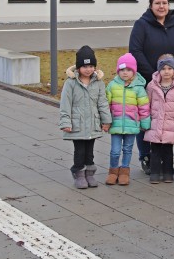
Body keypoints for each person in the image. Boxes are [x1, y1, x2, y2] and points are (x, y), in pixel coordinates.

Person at [129, 0, 174, 175]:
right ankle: (146, 156)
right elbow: (135, 51)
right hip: (148, 82)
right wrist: (155, 76)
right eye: (157, 3)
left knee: (167, 119)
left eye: (164, 3)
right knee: (147, 118)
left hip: (171, 84)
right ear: (150, 5)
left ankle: (163, 157)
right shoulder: (141, 25)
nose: (161, 6)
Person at [58, 46, 111, 189]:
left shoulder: (98, 83)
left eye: (91, 66)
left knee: (90, 152)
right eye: (85, 66)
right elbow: (65, 104)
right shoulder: (71, 83)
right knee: (79, 151)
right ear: (78, 67)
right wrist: (65, 122)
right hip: (77, 124)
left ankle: (89, 174)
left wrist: (106, 121)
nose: (88, 69)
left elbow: (102, 102)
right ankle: (79, 173)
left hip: (93, 123)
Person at [104, 53, 150, 186]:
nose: (125, 73)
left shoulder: (139, 88)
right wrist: (105, 121)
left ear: (134, 71)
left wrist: (145, 123)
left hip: (132, 124)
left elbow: (144, 107)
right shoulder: (112, 86)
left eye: (128, 70)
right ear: (118, 70)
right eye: (122, 70)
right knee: (115, 151)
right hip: (116, 124)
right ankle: (113, 171)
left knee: (128, 149)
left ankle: (124, 171)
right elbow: (106, 105)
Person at [144, 54, 174, 183]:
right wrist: (145, 121)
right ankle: (155, 172)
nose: (166, 71)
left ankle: (168, 172)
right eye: (163, 69)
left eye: (169, 68)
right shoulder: (152, 86)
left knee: (168, 150)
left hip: (170, 124)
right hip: (155, 123)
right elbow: (146, 104)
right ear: (159, 70)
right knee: (155, 149)